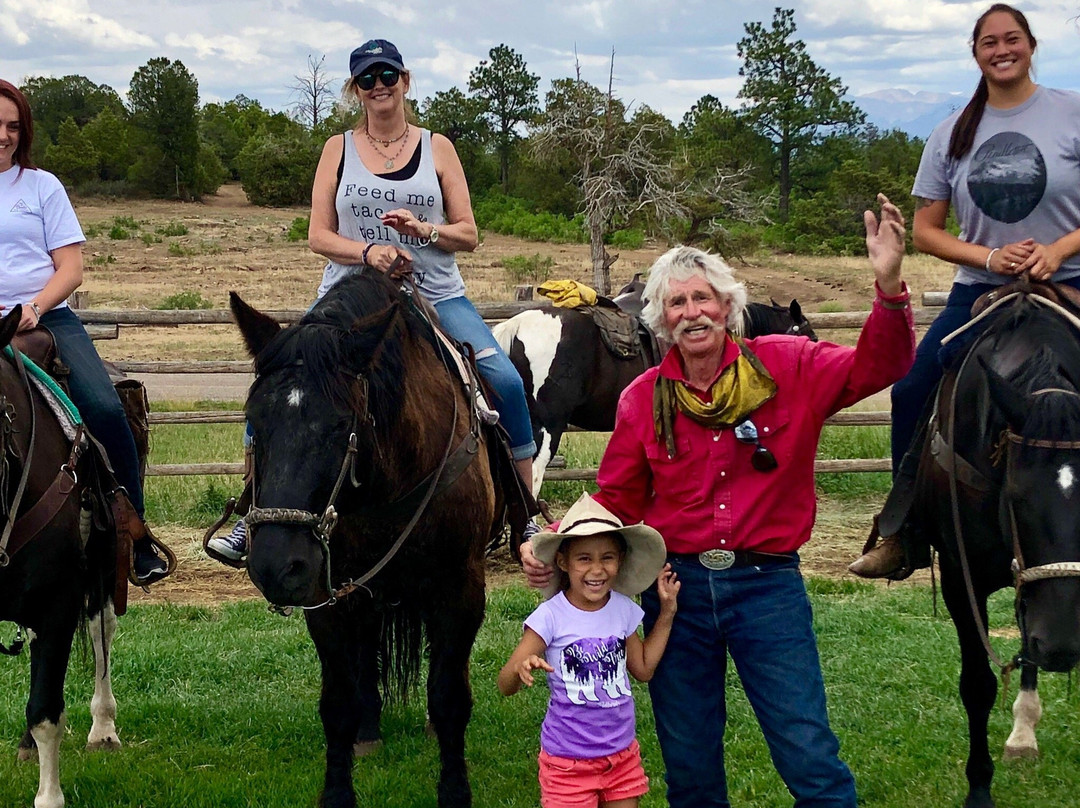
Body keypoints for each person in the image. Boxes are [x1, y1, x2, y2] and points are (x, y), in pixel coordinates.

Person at [520, 195, 914, 807]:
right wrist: (553, 543)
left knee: (807, 751)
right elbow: (617, 495)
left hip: (768, 587)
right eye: (676, 302)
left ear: (727, 306)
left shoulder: (791, 366)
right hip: (677, 593)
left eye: (702, 297)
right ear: (661, 319)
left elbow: (880, 364)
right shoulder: (643, 398)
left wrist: (888, 288)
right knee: (691, 763)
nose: (691, 311)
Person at [208, 39, 539, 561]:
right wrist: (369, 251)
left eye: (388, 74)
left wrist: (422, 231)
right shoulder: (337, 149)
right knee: (280, 380)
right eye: (367, 78)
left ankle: (526, 513)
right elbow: (319, 234)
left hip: (433, 291)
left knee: (504, 381)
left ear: (405, 80)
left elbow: (469, 234)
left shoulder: (439, 148)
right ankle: (254, 514)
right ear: (355, 89)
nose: (379, 85)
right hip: (346, 296)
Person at [850, 3, 1080, 579]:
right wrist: (992, 257)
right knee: (912, 388)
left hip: (1070, 280)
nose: (1002, 50)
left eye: (1013, 39)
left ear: (1032, 44)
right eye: (989, 43)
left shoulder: (1072, 114)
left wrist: (1057, 251)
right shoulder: (952, 132)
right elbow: (927, 229)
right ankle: (904, 529)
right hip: (981, 289)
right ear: (975, 54)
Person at [0, 79, 169, 584]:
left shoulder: (41, 187)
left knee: (102, 406)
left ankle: (133, 537)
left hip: (45, 316)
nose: (3, 136)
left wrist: (34, 306)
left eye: (13, 126)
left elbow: (70, 270)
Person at [499, 492, 679, 808]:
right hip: (567, 762)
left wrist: (666, 613)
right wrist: (521, 667)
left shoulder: (623, 610)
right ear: (562, 561)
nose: (596, 570)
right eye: (584, 558)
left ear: (620, 561)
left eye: (607, 557)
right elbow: (504, 684)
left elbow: (644, 669)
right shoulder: (550, 617)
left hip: (621, 757)